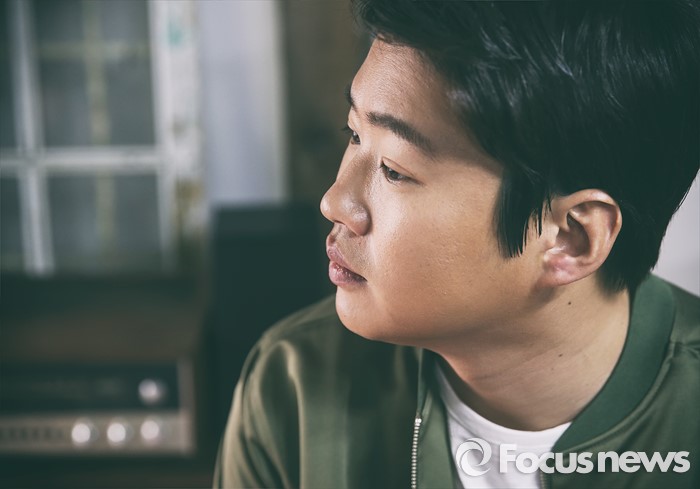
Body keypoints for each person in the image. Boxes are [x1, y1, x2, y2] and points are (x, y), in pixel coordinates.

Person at [214, 1, 699, 487]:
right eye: (354, 133)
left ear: (569, 238)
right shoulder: (294, 388)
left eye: (394, 170)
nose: (334, 201)